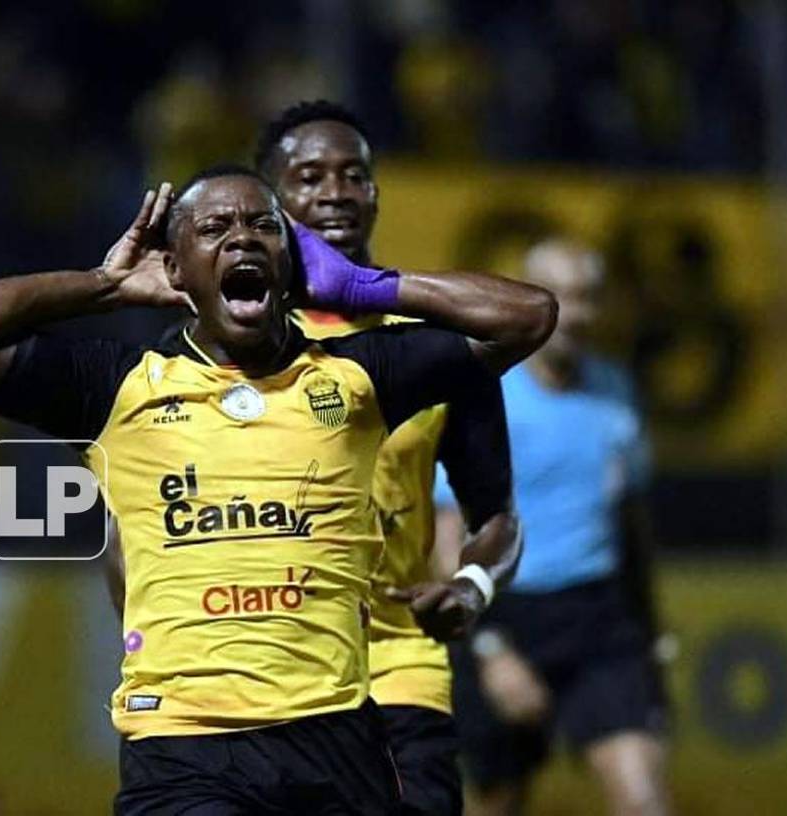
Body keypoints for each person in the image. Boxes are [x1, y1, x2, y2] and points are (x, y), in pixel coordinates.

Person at [0, 167, 556, 815]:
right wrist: (102, 286)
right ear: (176, 269)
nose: (242, 240)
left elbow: (528, 316)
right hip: (184, 745)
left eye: (263, 227)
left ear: (291, 261)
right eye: (214, 228)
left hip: (336, 736)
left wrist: (368, 286)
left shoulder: (357, 377)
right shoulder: (118, 387)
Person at [255, 100, 523, 816]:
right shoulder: (228, 342)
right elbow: (138, 517)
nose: (336, 192)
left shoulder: (431, 343)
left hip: (397, 664)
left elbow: (496, 517)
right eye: (309, 177)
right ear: (270, 199)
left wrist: (471, 586)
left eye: (354, 175)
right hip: (262, 668)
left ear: (376, 192)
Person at [449, 240, 671, 816]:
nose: (574, 314)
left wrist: (652, 633)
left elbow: (633, 523)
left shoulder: (615, 391)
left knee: (644, 797)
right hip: (508, 614)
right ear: (529, 301)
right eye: (560, 297)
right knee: (498, 801)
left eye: (588, 298)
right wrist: (489, 648)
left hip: (598, 618)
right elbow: (448, 534)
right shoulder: (485, 391)